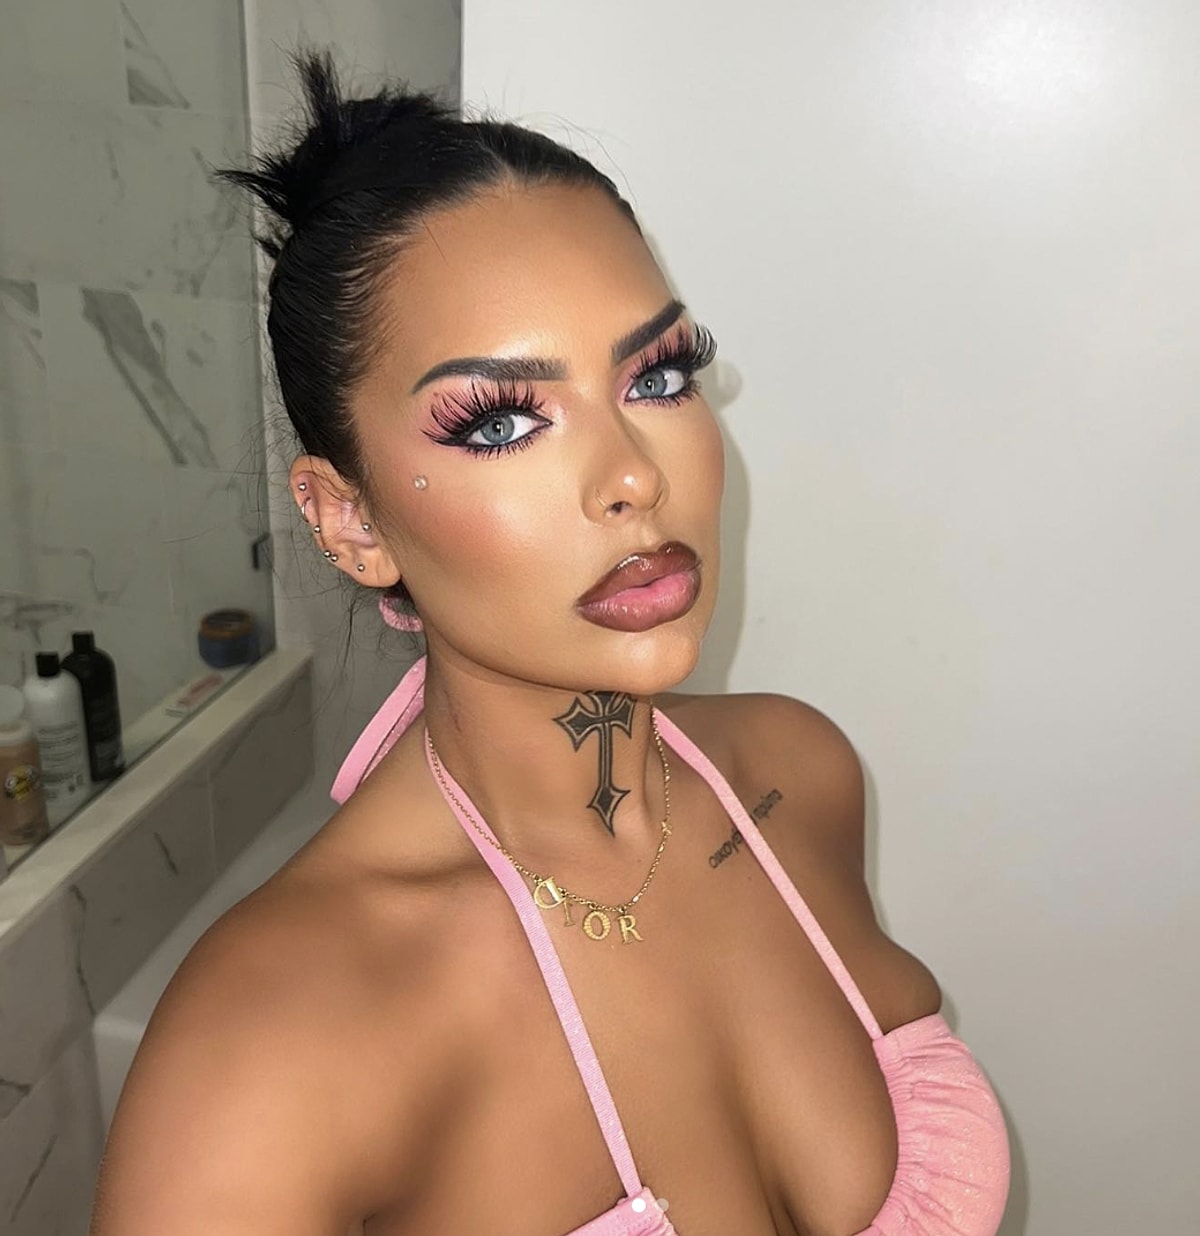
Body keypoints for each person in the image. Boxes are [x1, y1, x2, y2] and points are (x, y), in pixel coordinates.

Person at [90, 53, 1010, 1236]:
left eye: (657, 376)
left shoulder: (799, 776)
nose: (632, 477)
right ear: (352, 520)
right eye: (502, 422)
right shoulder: (265, 1050)